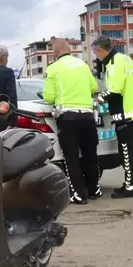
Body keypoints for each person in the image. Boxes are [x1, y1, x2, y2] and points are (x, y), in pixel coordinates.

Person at [43, 39, 99, 204]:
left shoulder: (53, 68)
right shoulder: (83, 65)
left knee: (71, 157)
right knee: (90, 154)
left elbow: (48, 97)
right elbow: (94, 88)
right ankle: (94, 189)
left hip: (68, 117)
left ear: (55, 53)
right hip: (87, 116)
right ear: (70, 50)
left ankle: (79, 194)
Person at [91, 35, 133, 199]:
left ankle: (131, 186)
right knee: (128, 150)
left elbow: (114, 91)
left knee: (126, 151)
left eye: (95, 53)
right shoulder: (125, 59)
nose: (96, 56)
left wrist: (97, 99)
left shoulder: (113, 64)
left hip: (125, 113)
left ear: (100, 50)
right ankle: (131, 181)